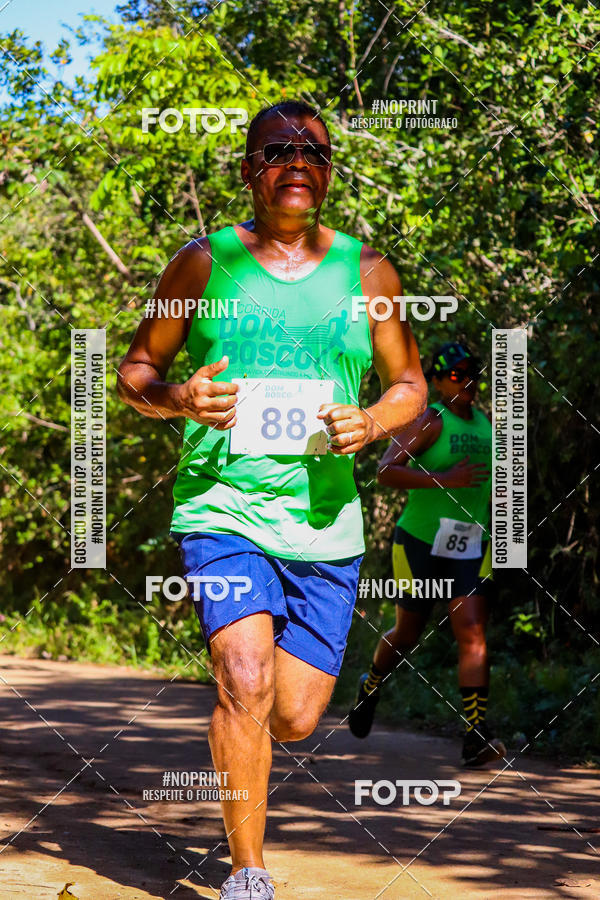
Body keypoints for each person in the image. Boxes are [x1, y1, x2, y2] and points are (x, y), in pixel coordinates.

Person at [117, 99, 427, 899]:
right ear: (249, 169)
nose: (297, 163)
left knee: (292, 715)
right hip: (222, 507)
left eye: (314, 152)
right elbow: (135, 372)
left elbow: (410, 387)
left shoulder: (368, 274)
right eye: (278, 150)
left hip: (325, 523)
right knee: (244, 680)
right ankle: (247, 873)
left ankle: (250, 749)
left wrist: (373, 419)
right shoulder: (203, 262)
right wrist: (181, 398)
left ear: (329, 171)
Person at [348, 341, 506, 767]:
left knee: (472, 633)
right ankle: (371, 685)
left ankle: (475, 733)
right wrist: (443, 478)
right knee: (406, 635)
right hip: (419, 543)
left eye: (472, 373)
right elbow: (385, 470)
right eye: (455, 374)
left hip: (469, 545)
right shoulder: (431, 421)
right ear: (436, 381)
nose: (467, 382)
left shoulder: (487, 426)